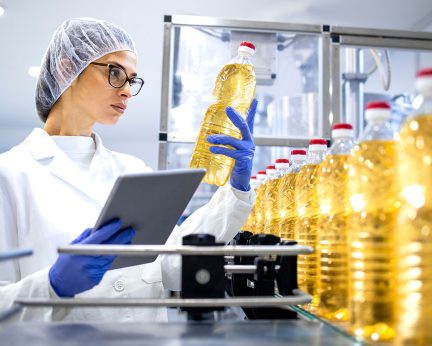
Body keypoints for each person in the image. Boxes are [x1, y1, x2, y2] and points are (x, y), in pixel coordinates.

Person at [0, 18, 256, 321]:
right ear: (67, 69)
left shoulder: (133, 170)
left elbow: (171, 265)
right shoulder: (10, 174)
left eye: (131, 79)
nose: (126, 92)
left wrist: (236, 192)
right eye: (115, 73)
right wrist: (52, 286)